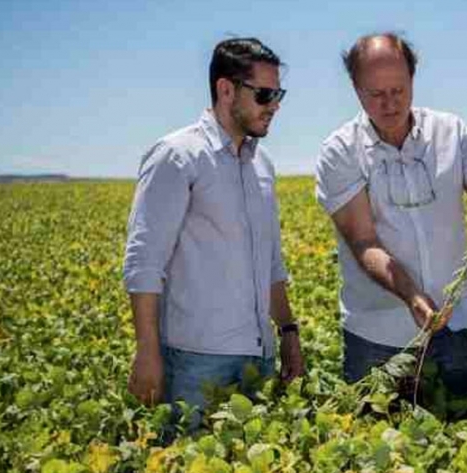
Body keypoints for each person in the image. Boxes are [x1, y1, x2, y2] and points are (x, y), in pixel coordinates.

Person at [315, 33, 467, 417]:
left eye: (398, 90)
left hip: (451, 328)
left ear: (413, 79)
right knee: (370, 442)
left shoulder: (450, 132)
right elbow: (363, 242)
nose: (390, 104)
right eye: (375, 94)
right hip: (375, 333)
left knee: (456, 430)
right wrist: (412, 295)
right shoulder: (339, 151)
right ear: (355, 89)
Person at [123, 38, 305, 428]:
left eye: (279, 94)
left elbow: (270, 260)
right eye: (265, 94)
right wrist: (147, 352)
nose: (274, 105)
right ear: (226, 90)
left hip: (259, 360)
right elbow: (144, 261)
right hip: (194, 363)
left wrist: (288, 332)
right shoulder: (177, 155)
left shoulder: (262, 164)